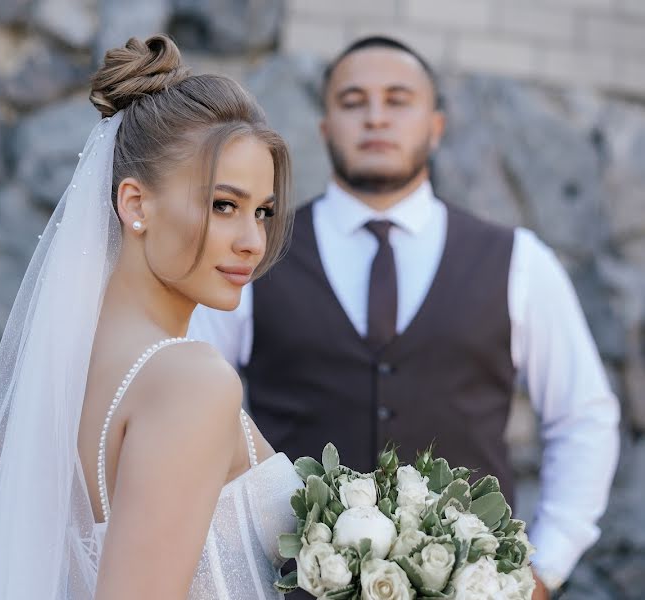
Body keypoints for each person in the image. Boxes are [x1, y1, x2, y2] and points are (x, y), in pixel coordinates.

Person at [189, 36, 620, 599]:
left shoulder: (518, 261)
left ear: (435, 125)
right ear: (324, 127)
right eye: (352, 100)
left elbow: (583, 417)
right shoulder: (255, 253)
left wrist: (546, 568)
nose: (375, 117)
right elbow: (193, 405)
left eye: (397, 100)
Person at [0, 35, 303, 600]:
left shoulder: (65, 373)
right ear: (135, 204)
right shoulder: (191, 381)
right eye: (223, 205)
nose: (253, 240)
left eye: (263, 211)